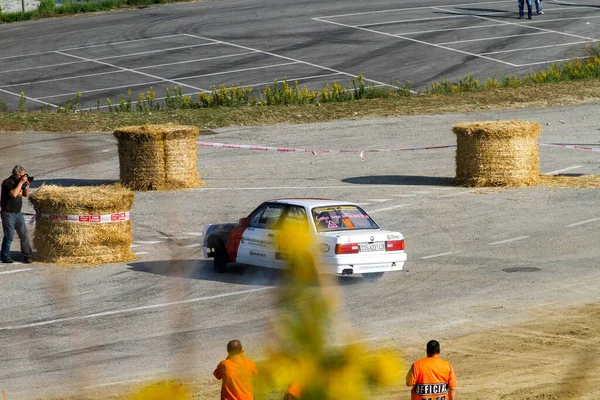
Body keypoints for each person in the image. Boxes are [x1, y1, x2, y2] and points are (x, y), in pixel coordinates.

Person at [1, 165, 33, 264]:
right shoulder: (7, 182)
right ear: (17, 175)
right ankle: (5, 256)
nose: (24, 177)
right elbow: (14, 194)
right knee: (9, 236)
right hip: (8, 214)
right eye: (22, 175)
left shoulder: (20, 182)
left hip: (18, 213)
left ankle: (27, 255)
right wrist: (21, 183)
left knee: (24, 235)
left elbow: (26, 195)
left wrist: (27, 185)